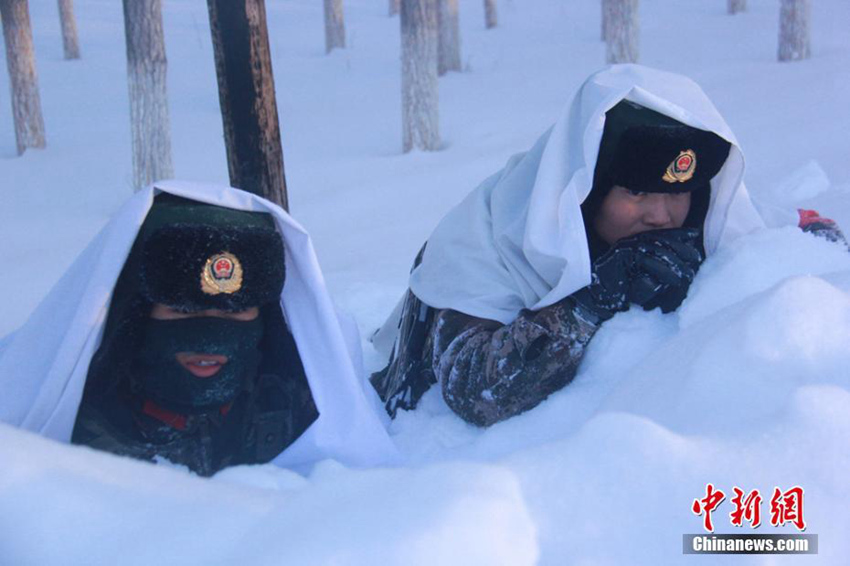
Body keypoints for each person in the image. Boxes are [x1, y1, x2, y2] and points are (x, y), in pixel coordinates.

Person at [370, 64, 773, 427]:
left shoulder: (704, 224)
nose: (661, 216)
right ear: (586, 193)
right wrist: (586, 305)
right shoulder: (491, 235)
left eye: (678, 194)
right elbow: (474, 390)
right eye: (636, 191)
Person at [0, 180, 396, 475]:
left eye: (235, 314)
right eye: (183, 313)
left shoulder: (303, 407)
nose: (210, 339)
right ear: (135, 315)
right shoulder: (75, 427)